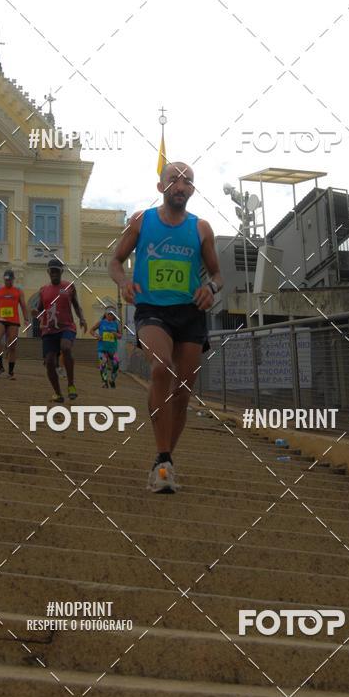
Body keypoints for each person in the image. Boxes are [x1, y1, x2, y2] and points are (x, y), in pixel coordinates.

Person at [109, 161, 222, 493]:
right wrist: (123, 282)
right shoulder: (142, 221)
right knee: (161, 368)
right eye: (174, 179)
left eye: (187, 181)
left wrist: (210, 290)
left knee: (184, 391)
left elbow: (217, 275)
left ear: (192, 190)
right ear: (161, 187)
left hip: (189, 313)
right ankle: (162, 458)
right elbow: (115, 261)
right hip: (151, 310)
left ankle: (164, 462)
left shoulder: (202, 228)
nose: (181, 185)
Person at [32, 258, 87, 403]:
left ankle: (71, 385)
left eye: (57, 271)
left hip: (66, 327)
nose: (55, 274)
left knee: (66, 347)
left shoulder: (68, 287)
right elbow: (39, 310)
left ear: (62, 272)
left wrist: (82, 318)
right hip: (49, 331)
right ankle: (58, 393)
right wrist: (34, 314)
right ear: (48, 272)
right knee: (49, 361)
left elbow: (76, 305)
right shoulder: (43, 290)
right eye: (52, 271)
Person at [0, 269, 29, 380]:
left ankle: (11, 372)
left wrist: (26, 319)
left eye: (10, 280)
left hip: (13, 321)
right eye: (6, 279)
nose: (8, 281)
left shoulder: (18, 291)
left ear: (13, 279)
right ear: (4, 279)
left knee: (12, 346)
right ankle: (0, 366)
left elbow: (23, 306)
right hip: (0, 318)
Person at [90, 310, 121, 388]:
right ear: (105, 314)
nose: (110, 315)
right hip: (102, 348)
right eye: (109, 314)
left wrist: (116, 334)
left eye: (112, 314)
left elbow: (120, 336)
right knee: (103, 364)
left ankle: (112, 380)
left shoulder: (116, 324)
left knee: (116, 364)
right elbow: (91, 330)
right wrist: (97, 336)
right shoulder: (101, 322)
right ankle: (104, 382)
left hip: (113, 349)